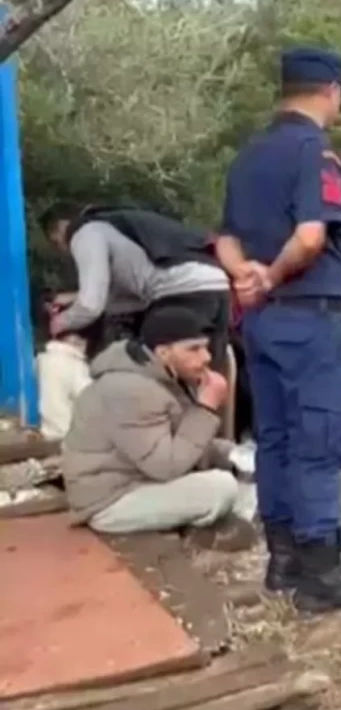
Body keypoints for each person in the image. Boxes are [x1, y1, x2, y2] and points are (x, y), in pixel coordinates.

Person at [215, 46, 341, 613]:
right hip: (308, 317)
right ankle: (323, 574)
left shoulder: (248, 157)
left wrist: (245, 275)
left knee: (277, 440)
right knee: (317, 442)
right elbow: (312, 237)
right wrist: (270, 277)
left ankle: (283, 562)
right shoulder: (315, 153)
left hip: (262, 325)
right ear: (331, 90)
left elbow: (224, 238)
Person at [60, 307, 245, 535]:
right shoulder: (131, 390)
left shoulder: (162, 375)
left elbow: (180, 440)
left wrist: (236, 456)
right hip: (110, 502)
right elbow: (166, 467)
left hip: (139, 482)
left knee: (237, 475)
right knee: (221, 487)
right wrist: (206, 408)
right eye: (194, 349)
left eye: (205, 347)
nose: (206, 357)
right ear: (164, 352)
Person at [40, 204, 232, 370]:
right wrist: (72, 298)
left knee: (160, 373)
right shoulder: (116, 228)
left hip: (181, 291)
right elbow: (125, 298)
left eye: (58, 243)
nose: (64, 251)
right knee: (208, 372)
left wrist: (59, 323)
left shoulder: (85, 233)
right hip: (215, 282)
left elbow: (91, 305)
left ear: (62, 227)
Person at [36, 331, 93, 441]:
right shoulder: (75, 364)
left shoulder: (41, 360)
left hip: (45, 430)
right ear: (79, 343)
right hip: (67, 431)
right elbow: (88, 396)